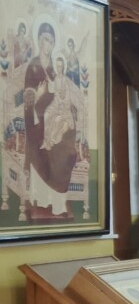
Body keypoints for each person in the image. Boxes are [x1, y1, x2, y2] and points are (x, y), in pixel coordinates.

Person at [22, 21, 79, 216]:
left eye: (52, 41)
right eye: (47, 40)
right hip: (37, 119)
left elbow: (61, 90)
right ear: (39, 40)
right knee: (55, 148)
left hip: (55, 115)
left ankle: (58, 198)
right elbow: (28, 97)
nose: (50, 44)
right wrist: (38, 95)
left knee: (67, 144)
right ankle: (47, 198)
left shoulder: (54, 67)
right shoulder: (33, 67)